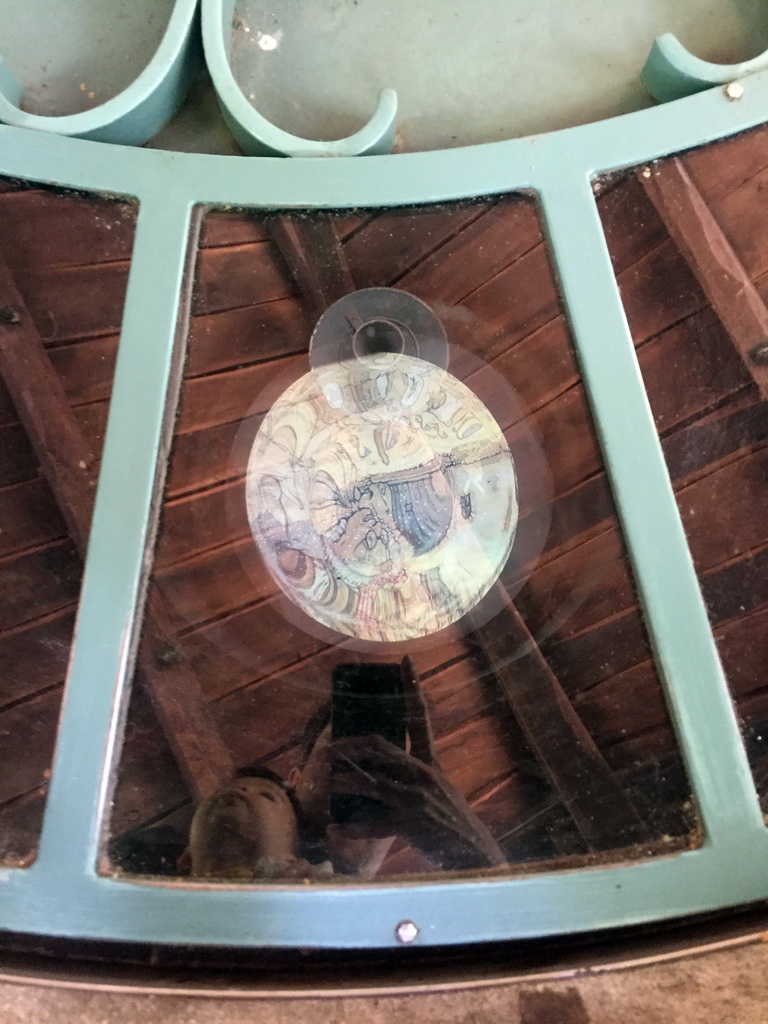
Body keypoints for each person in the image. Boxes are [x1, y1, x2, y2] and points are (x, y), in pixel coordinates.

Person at [187, 658, 505, 880]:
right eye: (346, 755)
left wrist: (466, 848)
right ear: (293, 782)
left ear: (419, 800)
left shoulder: (409, 912)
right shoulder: (188, 850)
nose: (366, 778)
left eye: (390, 768)